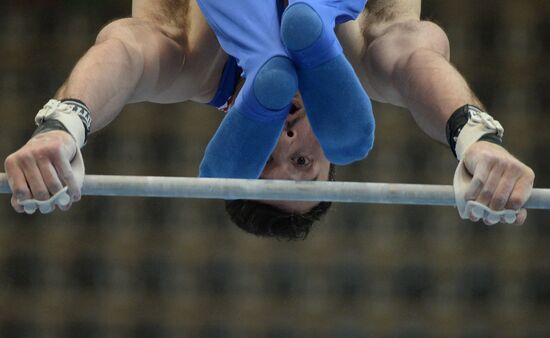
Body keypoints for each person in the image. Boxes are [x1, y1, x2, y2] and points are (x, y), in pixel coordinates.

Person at [3, 0, 535, 240]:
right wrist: (474, 138)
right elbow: (421, 63)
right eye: (302, 159)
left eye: (262, 159)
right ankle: (318, 20)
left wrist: (62, 128)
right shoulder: (375, 61)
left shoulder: (189, 63)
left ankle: (270, 51)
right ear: (332, 158)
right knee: (380, 53)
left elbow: (124, 53)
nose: (283, 138)